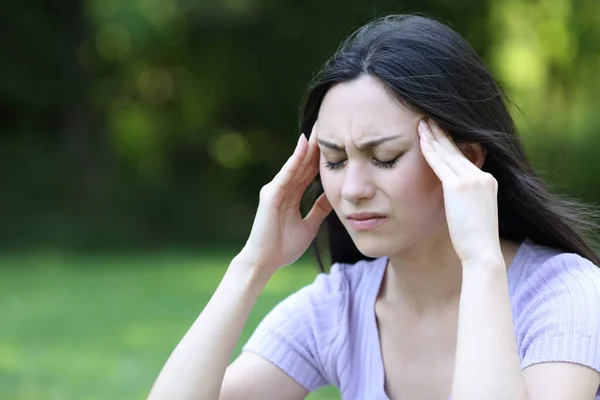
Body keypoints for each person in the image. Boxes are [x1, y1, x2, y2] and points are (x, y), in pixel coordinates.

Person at [148, 14, 600, 400]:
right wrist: (251, 266)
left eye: (384, 158)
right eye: (335, 160)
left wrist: (481, 261)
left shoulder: (567, 295)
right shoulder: (341, 306)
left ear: (467, 160)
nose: (353, 189)